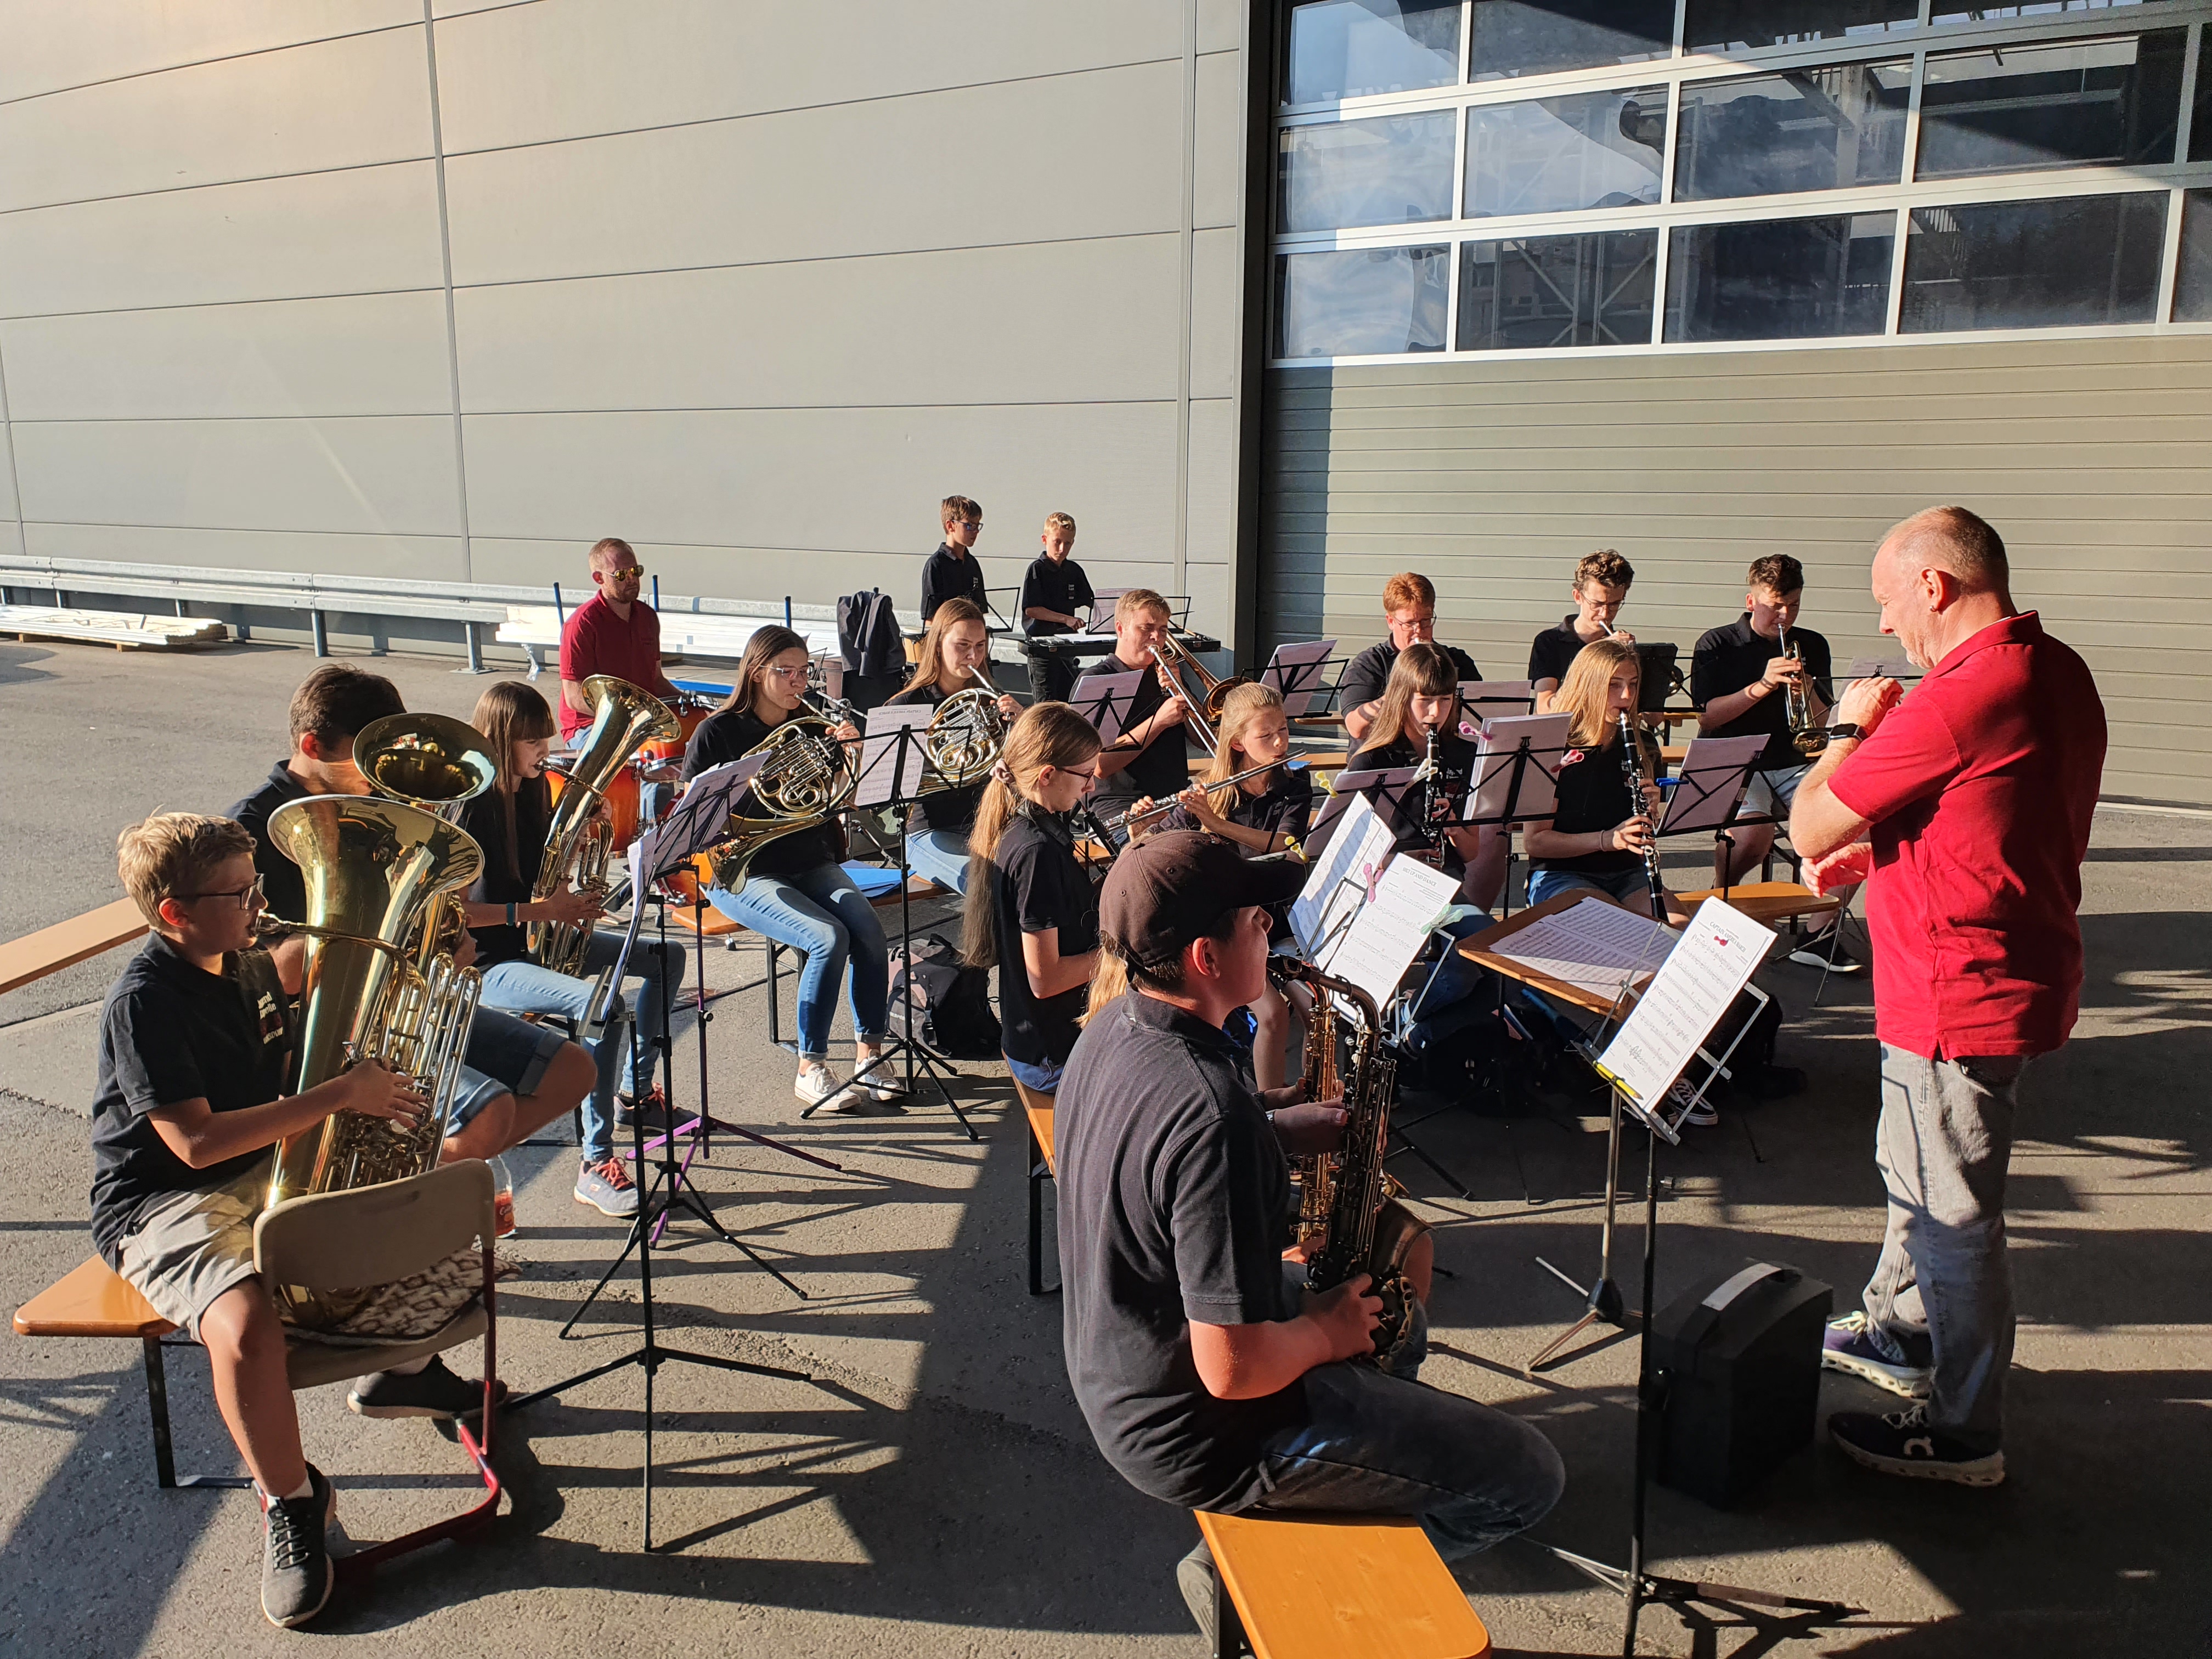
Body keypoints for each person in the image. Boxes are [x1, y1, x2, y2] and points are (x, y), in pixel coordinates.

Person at [1056, 831, 1564, 1644]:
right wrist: (1324, 1334)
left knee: (1387, 1301)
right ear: (1205, 957)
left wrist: (1279, 1127)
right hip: (1198, 1427)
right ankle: (1292, 1596)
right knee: (1528, 1474)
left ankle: (1359, 1461)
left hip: (1124, 1362)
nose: (1272, 932)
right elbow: (1235, 1368)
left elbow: (1164, 1157)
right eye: (1258, 921)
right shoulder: (1209, 1117)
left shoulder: (1117, 1029)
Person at [92, 813, 495, 1628]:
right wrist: (340, 1097)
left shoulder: (241, 965)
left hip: (263, 1160)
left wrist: (407, 992)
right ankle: (291, 1500)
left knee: (429, 1225)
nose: (261, 906)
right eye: (241, 894)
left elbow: (286, 1068)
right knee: (243, 1330)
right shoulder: (145, 1003)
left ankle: (401, 1375)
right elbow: (197, 1143)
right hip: (163, 1197)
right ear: (175, 913)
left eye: (258, 887)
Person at [1790, 506, 2104, 1488]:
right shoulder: (2054, 668)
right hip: (1995, 966)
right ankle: (1897, 1326)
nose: (1885, 627)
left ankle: (1966, 1428)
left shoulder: (1959, 693)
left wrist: (1845, 731)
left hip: (1952, 988)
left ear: (1933, 585)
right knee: (1914, 1171)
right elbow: (1990, 819)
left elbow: (1806, 819)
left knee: (1952, 1212)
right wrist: (1880, 854)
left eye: (1887, 600)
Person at [227, 664, 595, 1175]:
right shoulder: (247, 831)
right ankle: (408, 1198)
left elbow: (431, 910)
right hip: (321, 1027)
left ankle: (409, 1179)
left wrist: (447, 938)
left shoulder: (377, 807)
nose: (384, 781)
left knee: (571, 1071)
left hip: (402, 1002)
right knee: (487, 1114)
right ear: (313, 747)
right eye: (367, 761)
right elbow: (248, 970)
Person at [452, 681, 687, 1219]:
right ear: (502, 739)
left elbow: (539, 873)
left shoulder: (534, 790)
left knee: (666, 958)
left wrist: (584, 839)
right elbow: (457, 914)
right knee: (601, 1006)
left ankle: (635, 1092)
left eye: (545, 739)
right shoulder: (470, 806)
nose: (545, 751)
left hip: (534, 940)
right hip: (492, 963)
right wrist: (541, 912)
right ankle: (595, 1161)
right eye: (533, 742)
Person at [684, 625, 896, 1109]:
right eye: (788, 672)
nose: (799, 683)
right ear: (757, 673)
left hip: (807, 857)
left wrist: (850, 762)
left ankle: (869, 1054)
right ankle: (812, 1066)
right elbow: (693, 820)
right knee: (827, 938)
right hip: (743, 870)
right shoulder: (717, 732)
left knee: (868, 930)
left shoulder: (810, 726)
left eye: (805, 672)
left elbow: (834, 802)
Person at [1692, 554, 1859, 968]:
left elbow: (1823, 721)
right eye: (1775, 605)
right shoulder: (1716, 644)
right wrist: (1764, 685)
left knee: (1855, 829)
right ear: (1752, 600)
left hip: (1793, 759)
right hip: (1734, 758)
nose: (1785, 615)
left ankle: (1818, 936)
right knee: (1754, 835)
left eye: (1794, 605)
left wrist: (1809, 687)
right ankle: (1720, 899)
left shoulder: (1812, 644)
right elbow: (1707, 716)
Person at [1146, 682, 1313, 1091]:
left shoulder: (1293, 785)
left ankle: (1316, 1101)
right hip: (1227, 931)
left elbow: (1289, 846)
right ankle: (1271, 1115)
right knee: (1273, 1013)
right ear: (1238, 742)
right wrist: (1140, 826)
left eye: (1284, 731)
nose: (1280, 742)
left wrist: (1218, 826)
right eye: (1266, 735)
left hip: (1279, 920)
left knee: (1317, 1009)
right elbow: (1154, 850)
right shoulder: (1209, 793)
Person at [961, 702, 1103, 1097]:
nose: (1092, 786)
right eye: (1087, 776)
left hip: (1041, 1040)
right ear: (1047, 776)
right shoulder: (1035, 852)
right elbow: (1047, 978)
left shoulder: (1034, 824)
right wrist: (1126, 956)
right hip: (1051, 1056)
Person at [1523, 639, 1687, 924]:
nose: (1626, 696)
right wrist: (1607, 840)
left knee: (1679, 933)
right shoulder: (1555, 747)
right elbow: (1535, 842)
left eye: (1633, 684)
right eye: (1614, 685)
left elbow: (1640, 827)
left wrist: (1650, 811)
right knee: (1619, 929)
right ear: (1589, 686)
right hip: (1562, 874)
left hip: (1628, 872)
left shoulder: (1643, 744)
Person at [1348, 644, 1505, 910]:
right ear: (1401, 698)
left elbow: (1470, 853)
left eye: (1445, 700)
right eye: (1425, 701)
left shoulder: (1466, 755)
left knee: (1478, 941)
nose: (1436, 713)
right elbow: (1352, 853)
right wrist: (1399, 858)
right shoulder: (1372, 761)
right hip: (1388, 887)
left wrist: (1454, 827)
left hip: (1446, 887)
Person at [886, 598, 1024, 896]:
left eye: (980, 646)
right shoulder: (907, 705)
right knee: (985, 886)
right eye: (962, 645)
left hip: (987, 822)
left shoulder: (991, 698)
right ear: (937, 645)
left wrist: (1023, 725)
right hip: (929, 831)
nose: (973, 656)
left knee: (1041, 870)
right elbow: (888, 785)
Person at [1077, 589, 1192, 844]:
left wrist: (1180, 689)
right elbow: (1099, 766)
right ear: (1120, 629)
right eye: (1146, 628)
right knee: (1160, 853)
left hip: (1175, 798)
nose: (1156, 638)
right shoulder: (1097, 680)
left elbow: (1207, 738)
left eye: (1163, 630)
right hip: (1118, 805)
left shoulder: (1167, 673)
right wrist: (1159, 722)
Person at [557, 537, 685, 743]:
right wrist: (628, 718)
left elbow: (656, 680)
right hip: (588, 727)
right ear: (599, 578)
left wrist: (691, 704)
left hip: (639, 723)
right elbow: (574, 698)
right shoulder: (582, 624)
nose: (632, 579)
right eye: (621, 575)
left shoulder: (648, 617)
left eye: (636, 571)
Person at [1338, 572, 1481, 746]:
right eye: (1410, 623)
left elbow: (1480, 718)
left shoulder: (1457, 661)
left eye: (1426, 621)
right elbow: (1356, 728)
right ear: (1391, 621)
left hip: (1446, 760)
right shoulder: (1369, 665)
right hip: (1385, 762)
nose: (1419, 631)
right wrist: (1400, 693)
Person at [1530, 549, 1637, 714]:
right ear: (1578, 597)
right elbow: (1545, 708)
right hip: (1566, 736)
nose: (1605, 614)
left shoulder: (1622, 646)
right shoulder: (1549, 642)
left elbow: (1653, 718)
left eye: (1615, 604)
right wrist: (1600, 650)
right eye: (1597, 604)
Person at [1019, 510, 1096, 703]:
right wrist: (1066, 619)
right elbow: (1032, 609)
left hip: (1067, 649)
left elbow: (1092, 601)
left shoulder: (1074, 570)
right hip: (1042, 650)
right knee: (1047, 706)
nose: (1062, 548)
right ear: (1045, 539)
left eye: (1068, 543)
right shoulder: (1037, 569)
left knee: (1068, 704)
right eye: (1057, 542)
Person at [921, 494, 989, 622]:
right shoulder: (936, 564)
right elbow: (930, 618)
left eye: (977, 526)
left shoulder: (972, 563)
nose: (976, 531)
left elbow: (980, 613)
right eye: (970, 525)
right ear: (951, 526)